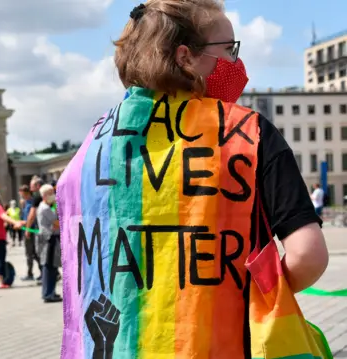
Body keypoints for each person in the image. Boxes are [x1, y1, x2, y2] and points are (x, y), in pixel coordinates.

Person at [56, 1, 328, 357]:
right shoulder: (247, 133)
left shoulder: (90, 147)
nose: (235, 63)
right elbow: (307, 256)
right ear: (185, 56)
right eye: (228, 49)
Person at [36, 185, 62, 303]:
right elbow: (57, 222)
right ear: (45, 195)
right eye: (51, 193)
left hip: (48, 238)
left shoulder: (47, 207)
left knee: (52, 267)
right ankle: (48, 293)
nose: (54, 195)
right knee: (49, 267)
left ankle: (50, 292)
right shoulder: (45, 208)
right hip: (48, 239)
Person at [19, 183, 43, 281]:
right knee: (33, 253)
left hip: (31, 230)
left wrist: (25, 226)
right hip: (28, 229)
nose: (21, 196)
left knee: (30, 253)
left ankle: (30, 273)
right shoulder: (26, 203)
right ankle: (42, 271)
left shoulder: (31, 203)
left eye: (22, 194)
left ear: (26, 193)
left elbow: (31, 218)